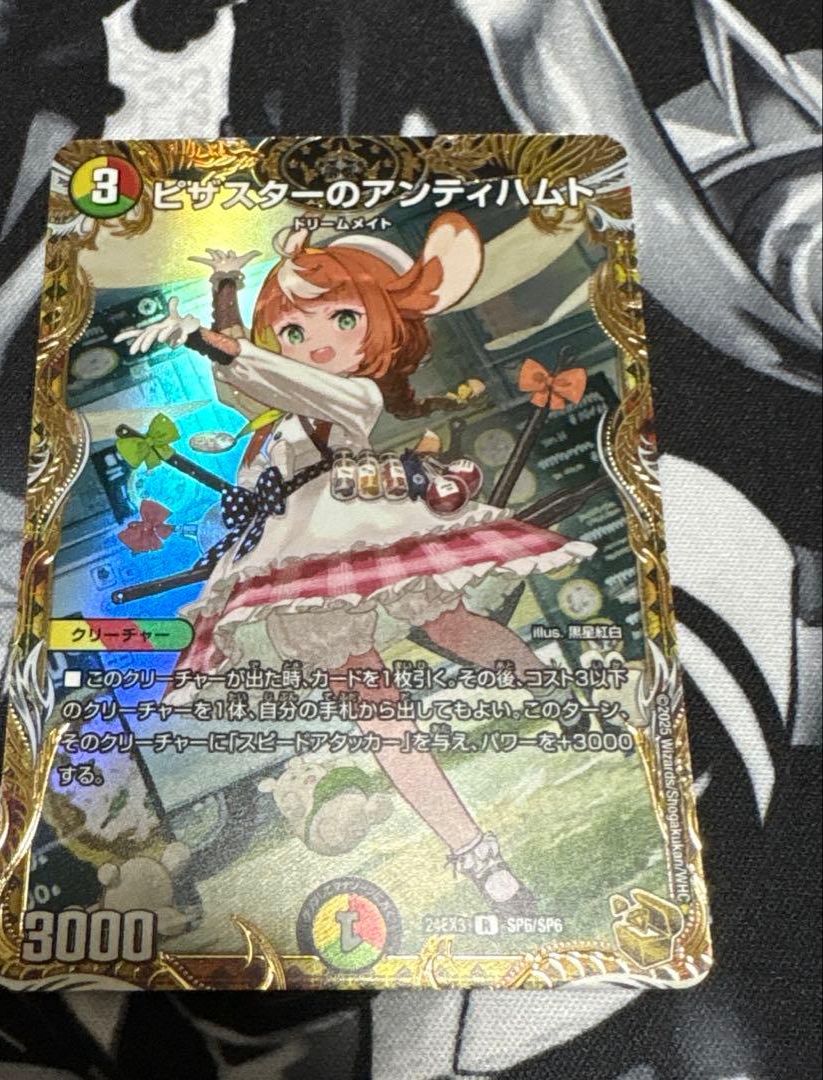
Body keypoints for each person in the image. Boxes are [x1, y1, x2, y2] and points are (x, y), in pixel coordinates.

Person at [116, 211, 596, 915]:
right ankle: (479, 860)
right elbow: (247, 380)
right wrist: (224, 291)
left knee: (454, 627)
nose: (318, 342)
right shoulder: (274, 418)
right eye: (294, 329)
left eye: (344, 320)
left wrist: (205, 337)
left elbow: (274, 375)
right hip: (298, 553)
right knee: (377, 708)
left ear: (380, 327)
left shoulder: (356, 393)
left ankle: (556, 697)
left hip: (365, 526)